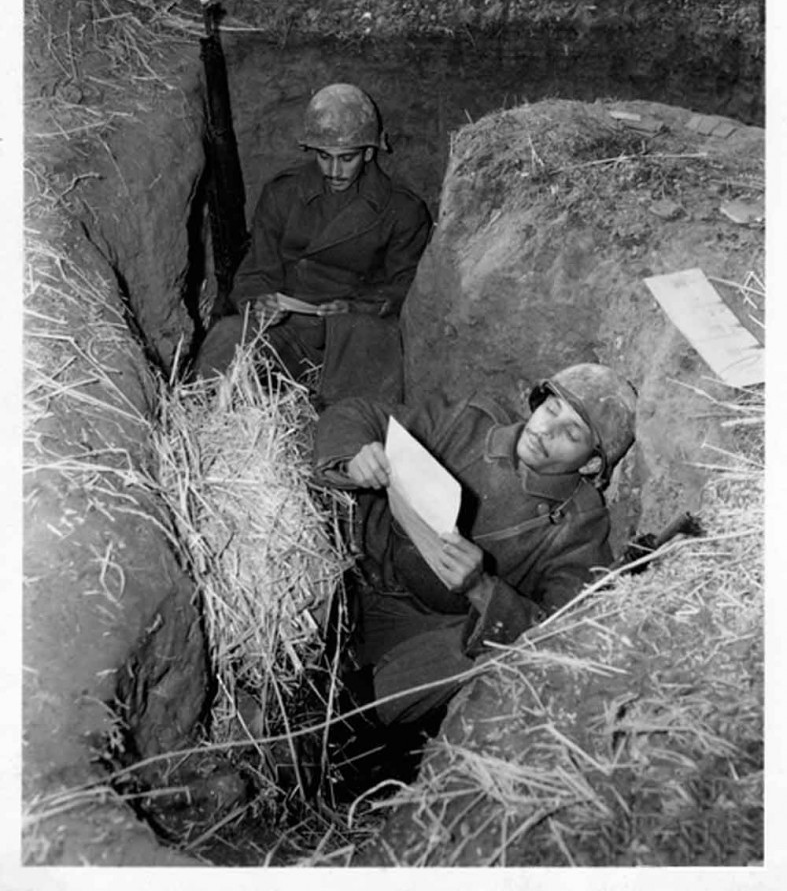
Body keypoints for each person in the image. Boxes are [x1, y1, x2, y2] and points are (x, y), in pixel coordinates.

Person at [313, 363, 638, 727]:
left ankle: (350, 720)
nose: (546, 431)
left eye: (572, 434)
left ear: (592, 463)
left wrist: (481, 588)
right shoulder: (470, 423)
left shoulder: (579, 526)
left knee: (484, 649)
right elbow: (358, 414)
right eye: (551, 409)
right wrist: (357, 455)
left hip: (419, 628)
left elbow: (560, 636)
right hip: (358, 556)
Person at [195, 83, 432, 405]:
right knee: (227, 337)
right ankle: (210, 414)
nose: (334, 171)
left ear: (369, 152)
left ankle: (348, 438)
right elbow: (255, 272)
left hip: (351, 334)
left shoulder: (402, 210)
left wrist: (355, 308)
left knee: (363, 389)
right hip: (287, 329)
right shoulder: (284, 194)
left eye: (346, 158)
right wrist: (258, 303)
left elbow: (407, 288)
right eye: (324, 156)